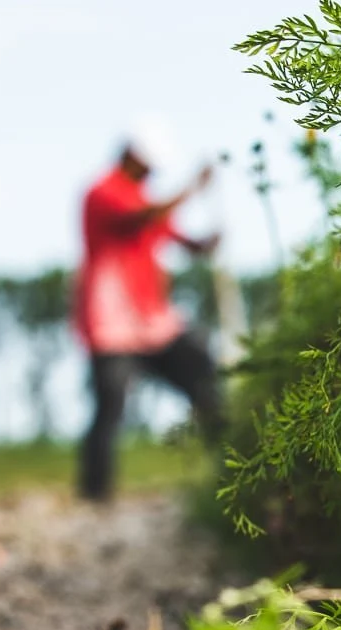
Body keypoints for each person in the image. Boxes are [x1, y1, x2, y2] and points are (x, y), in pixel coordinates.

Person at [73, 126, 224, 501]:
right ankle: (96, 493)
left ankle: (231, 468)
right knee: (110, 405)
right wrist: (192, 188)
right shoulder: (102, 193)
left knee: (202, 375)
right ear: (131, 157)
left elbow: (181, 240)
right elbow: (141, 219)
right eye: (148, 167)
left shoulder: (143, 197)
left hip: (154, 321)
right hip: (111, 323)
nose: (152, 175)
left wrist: (206, 243)